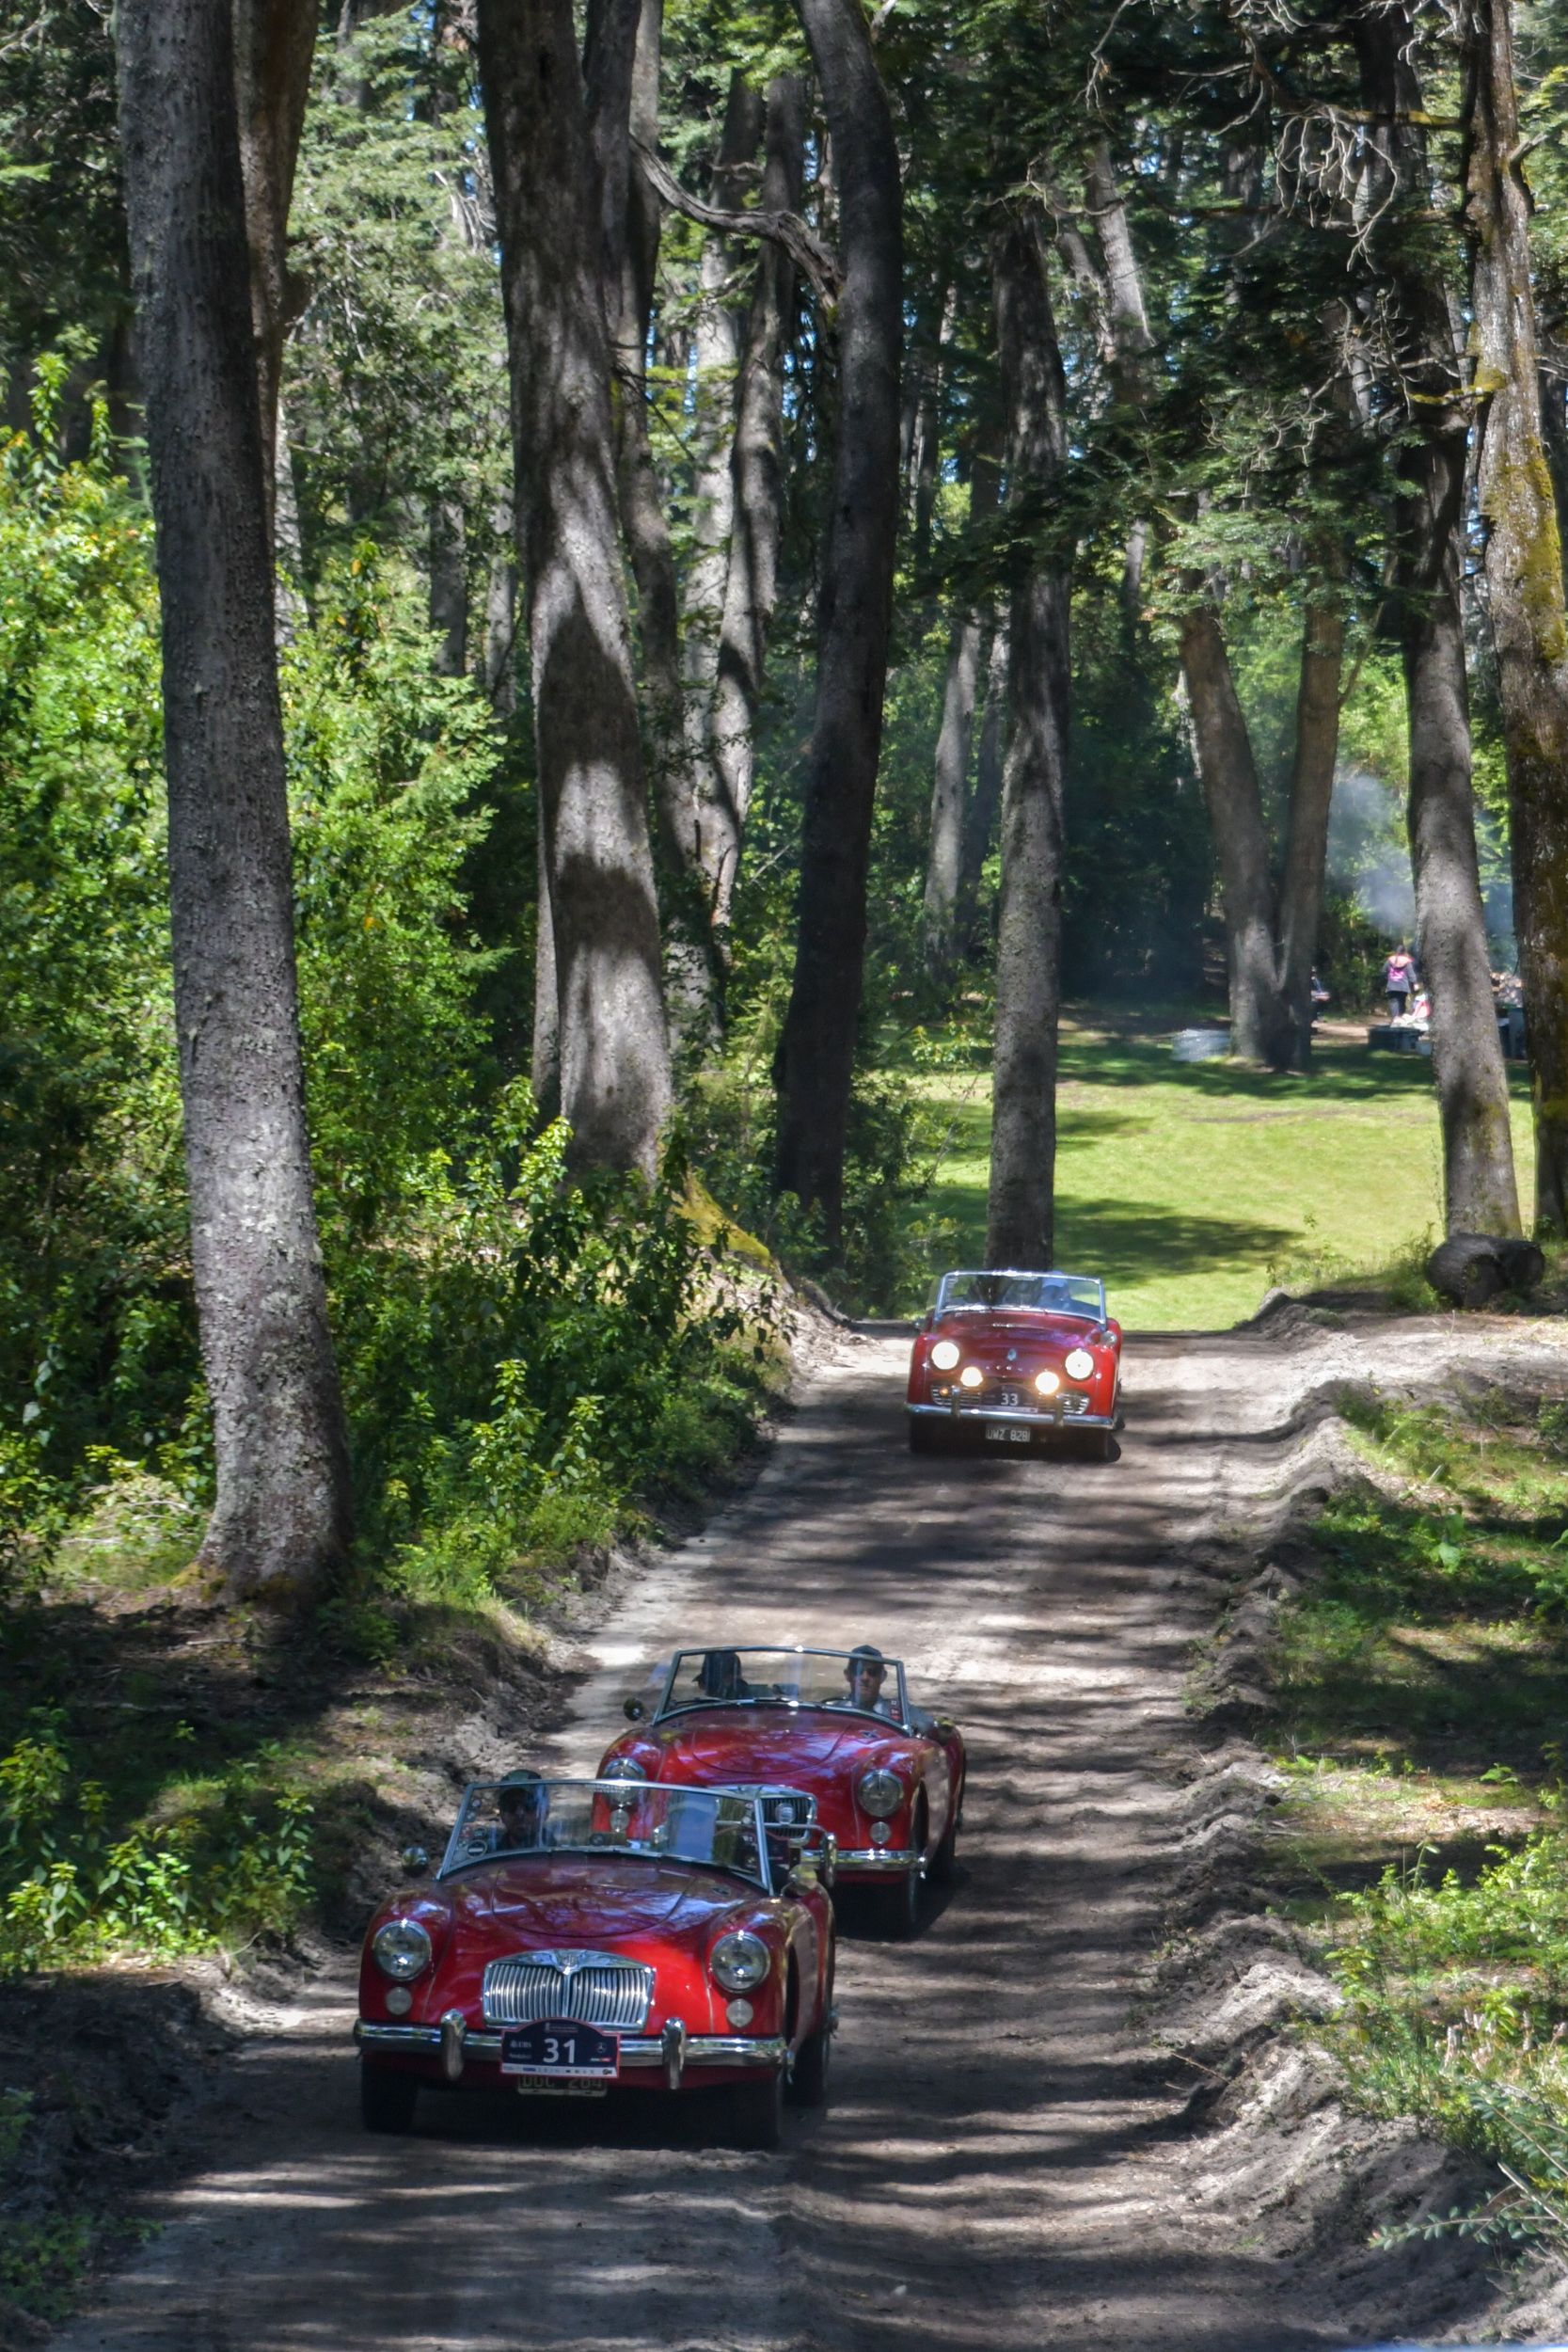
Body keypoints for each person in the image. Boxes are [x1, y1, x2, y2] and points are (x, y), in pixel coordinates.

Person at [493, 1767, 548, 1851]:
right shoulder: (489, 1857)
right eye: (511, 1805)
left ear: (545, 1811)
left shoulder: (565, 1855)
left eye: (529, 1804)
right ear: (501, 1813)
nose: (519, 1813)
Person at [839, 1643, 898, 1719]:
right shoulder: (832, 1711)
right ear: (848, 1675)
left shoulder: (901, 1712)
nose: (865, 1678)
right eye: (858, 1671)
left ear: (883, 1677)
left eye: (873, 1672)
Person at [1385, 945, 1418, 1019]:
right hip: (1403, 986)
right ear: (1404, 952)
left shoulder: (1390, 960)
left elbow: (1383, 971)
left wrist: (1387, 978)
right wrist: (1414, 983)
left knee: (1393, 1002)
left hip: (1391, 986)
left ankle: (1395, 1018)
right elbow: (1411, 974)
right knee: (1401, 1002)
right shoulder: (1407, 961)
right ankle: (1400, 1018)